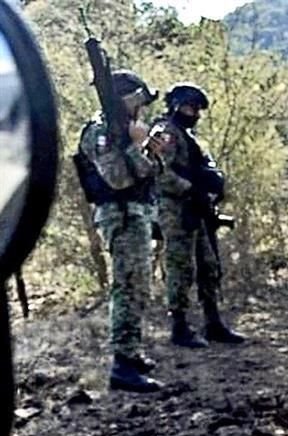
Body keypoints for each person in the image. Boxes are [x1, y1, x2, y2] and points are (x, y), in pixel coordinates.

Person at [75, 70, 164, 393]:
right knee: (127, 286)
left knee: (138, 285)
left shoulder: (123, 131)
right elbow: (119, 179)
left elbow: (144, 172)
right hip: (121, 216)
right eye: (139, 100)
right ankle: (122, 366)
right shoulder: (100, 131)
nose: (143, 107)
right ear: (126, 99)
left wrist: (148, 149)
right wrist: (137, 146)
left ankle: (132, 352)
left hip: (135, 214)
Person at [151, 83, 245, 348]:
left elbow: (201, 167)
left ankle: (212, 323)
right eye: (191, 107)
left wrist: (212, 186)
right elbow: (160, 173)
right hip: (175, 210)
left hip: (197, 208)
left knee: (208, 265)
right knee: (180, 267)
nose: (195, 113)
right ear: (176, 106)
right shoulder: (166, 132)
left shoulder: (187, 135)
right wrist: (189, 188)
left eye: (197, 109)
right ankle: (179, 326)